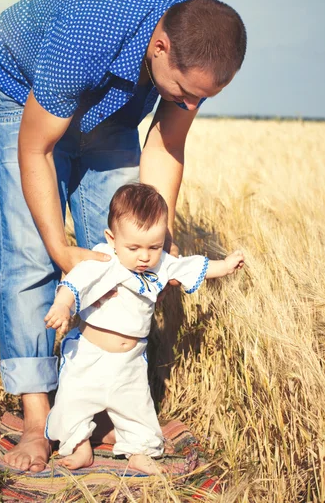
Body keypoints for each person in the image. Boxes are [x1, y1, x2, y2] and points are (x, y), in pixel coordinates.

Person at [0, 0, 247, 472]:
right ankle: (38, 423)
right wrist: (61, 251)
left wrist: (160, 238)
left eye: (204, 97)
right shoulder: (88, 26)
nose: (191, 104)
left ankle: (93, 406)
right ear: (161, 47)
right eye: (186, 92)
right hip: (30, 92)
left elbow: (167, 145)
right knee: (30, 257)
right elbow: (36, 149)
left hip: (116, 109)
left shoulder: (195, 38)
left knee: (127, 253)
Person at [43, 183, 245, 474]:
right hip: (90, 356)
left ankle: (139, 452)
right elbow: (76, 281)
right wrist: (62, 305)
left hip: (130, 361)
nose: (144, 256)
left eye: (153, 246)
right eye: (133, 247)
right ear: (112, 239)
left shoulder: (161, 264)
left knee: (137, 410)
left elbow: (190, 266)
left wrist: (223, 266)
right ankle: (79, 447)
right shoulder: (104, 259)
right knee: (72, 402)